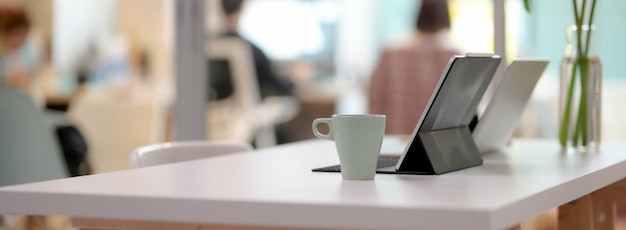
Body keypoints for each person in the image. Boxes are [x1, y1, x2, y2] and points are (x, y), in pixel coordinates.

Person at [368, 0, 461, 134]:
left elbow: (375, 100)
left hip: (393, 143)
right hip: (435, 145)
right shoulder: (454, 55)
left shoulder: (392, 52)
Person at [211, 0, 294, 101]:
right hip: (248, 112)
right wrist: (293, 78)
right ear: (242, 9)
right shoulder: (251, 51)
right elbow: (278, 84)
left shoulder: (211, 46)